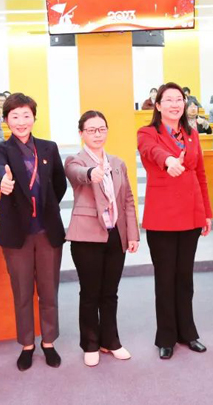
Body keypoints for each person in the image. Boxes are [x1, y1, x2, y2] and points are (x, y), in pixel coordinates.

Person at [0, 93, 67, 371]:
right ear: (6, 120)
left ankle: (49, 342)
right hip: (17, 234)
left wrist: (46, 207)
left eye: (26, 115)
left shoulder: (48, 148)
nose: (21, 121)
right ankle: (27, 344)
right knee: (22, 291)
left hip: (47, 231)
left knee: (49, 290)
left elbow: (59, 184)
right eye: (15, 116)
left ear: (34, 117)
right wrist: (3, 181)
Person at [137, 82, 212, 360]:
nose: (174, 104)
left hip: (191, 213)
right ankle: (166, 336)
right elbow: (151, 151)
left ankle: (188, 333)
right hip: (162, 217)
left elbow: (201, 174)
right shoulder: (147, 133)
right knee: (165, 279)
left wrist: (206, 212)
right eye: (168, 99)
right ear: (158, 105)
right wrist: (169, 160)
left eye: (179, 99)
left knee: (185, 278)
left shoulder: (192, 134)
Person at [65, 111, 140, 367]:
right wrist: (90, 173)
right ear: (81, 133)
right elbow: (76, 173)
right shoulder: (75, 160)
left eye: (101, 129)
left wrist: (132, 234)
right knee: (90, 293)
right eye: (91, 130)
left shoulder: (117, 163)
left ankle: (111, 341)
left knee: (110, 293)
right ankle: (90, 343)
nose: (97, 134)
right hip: (87, 237)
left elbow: (128, 199)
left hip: (115, 234)